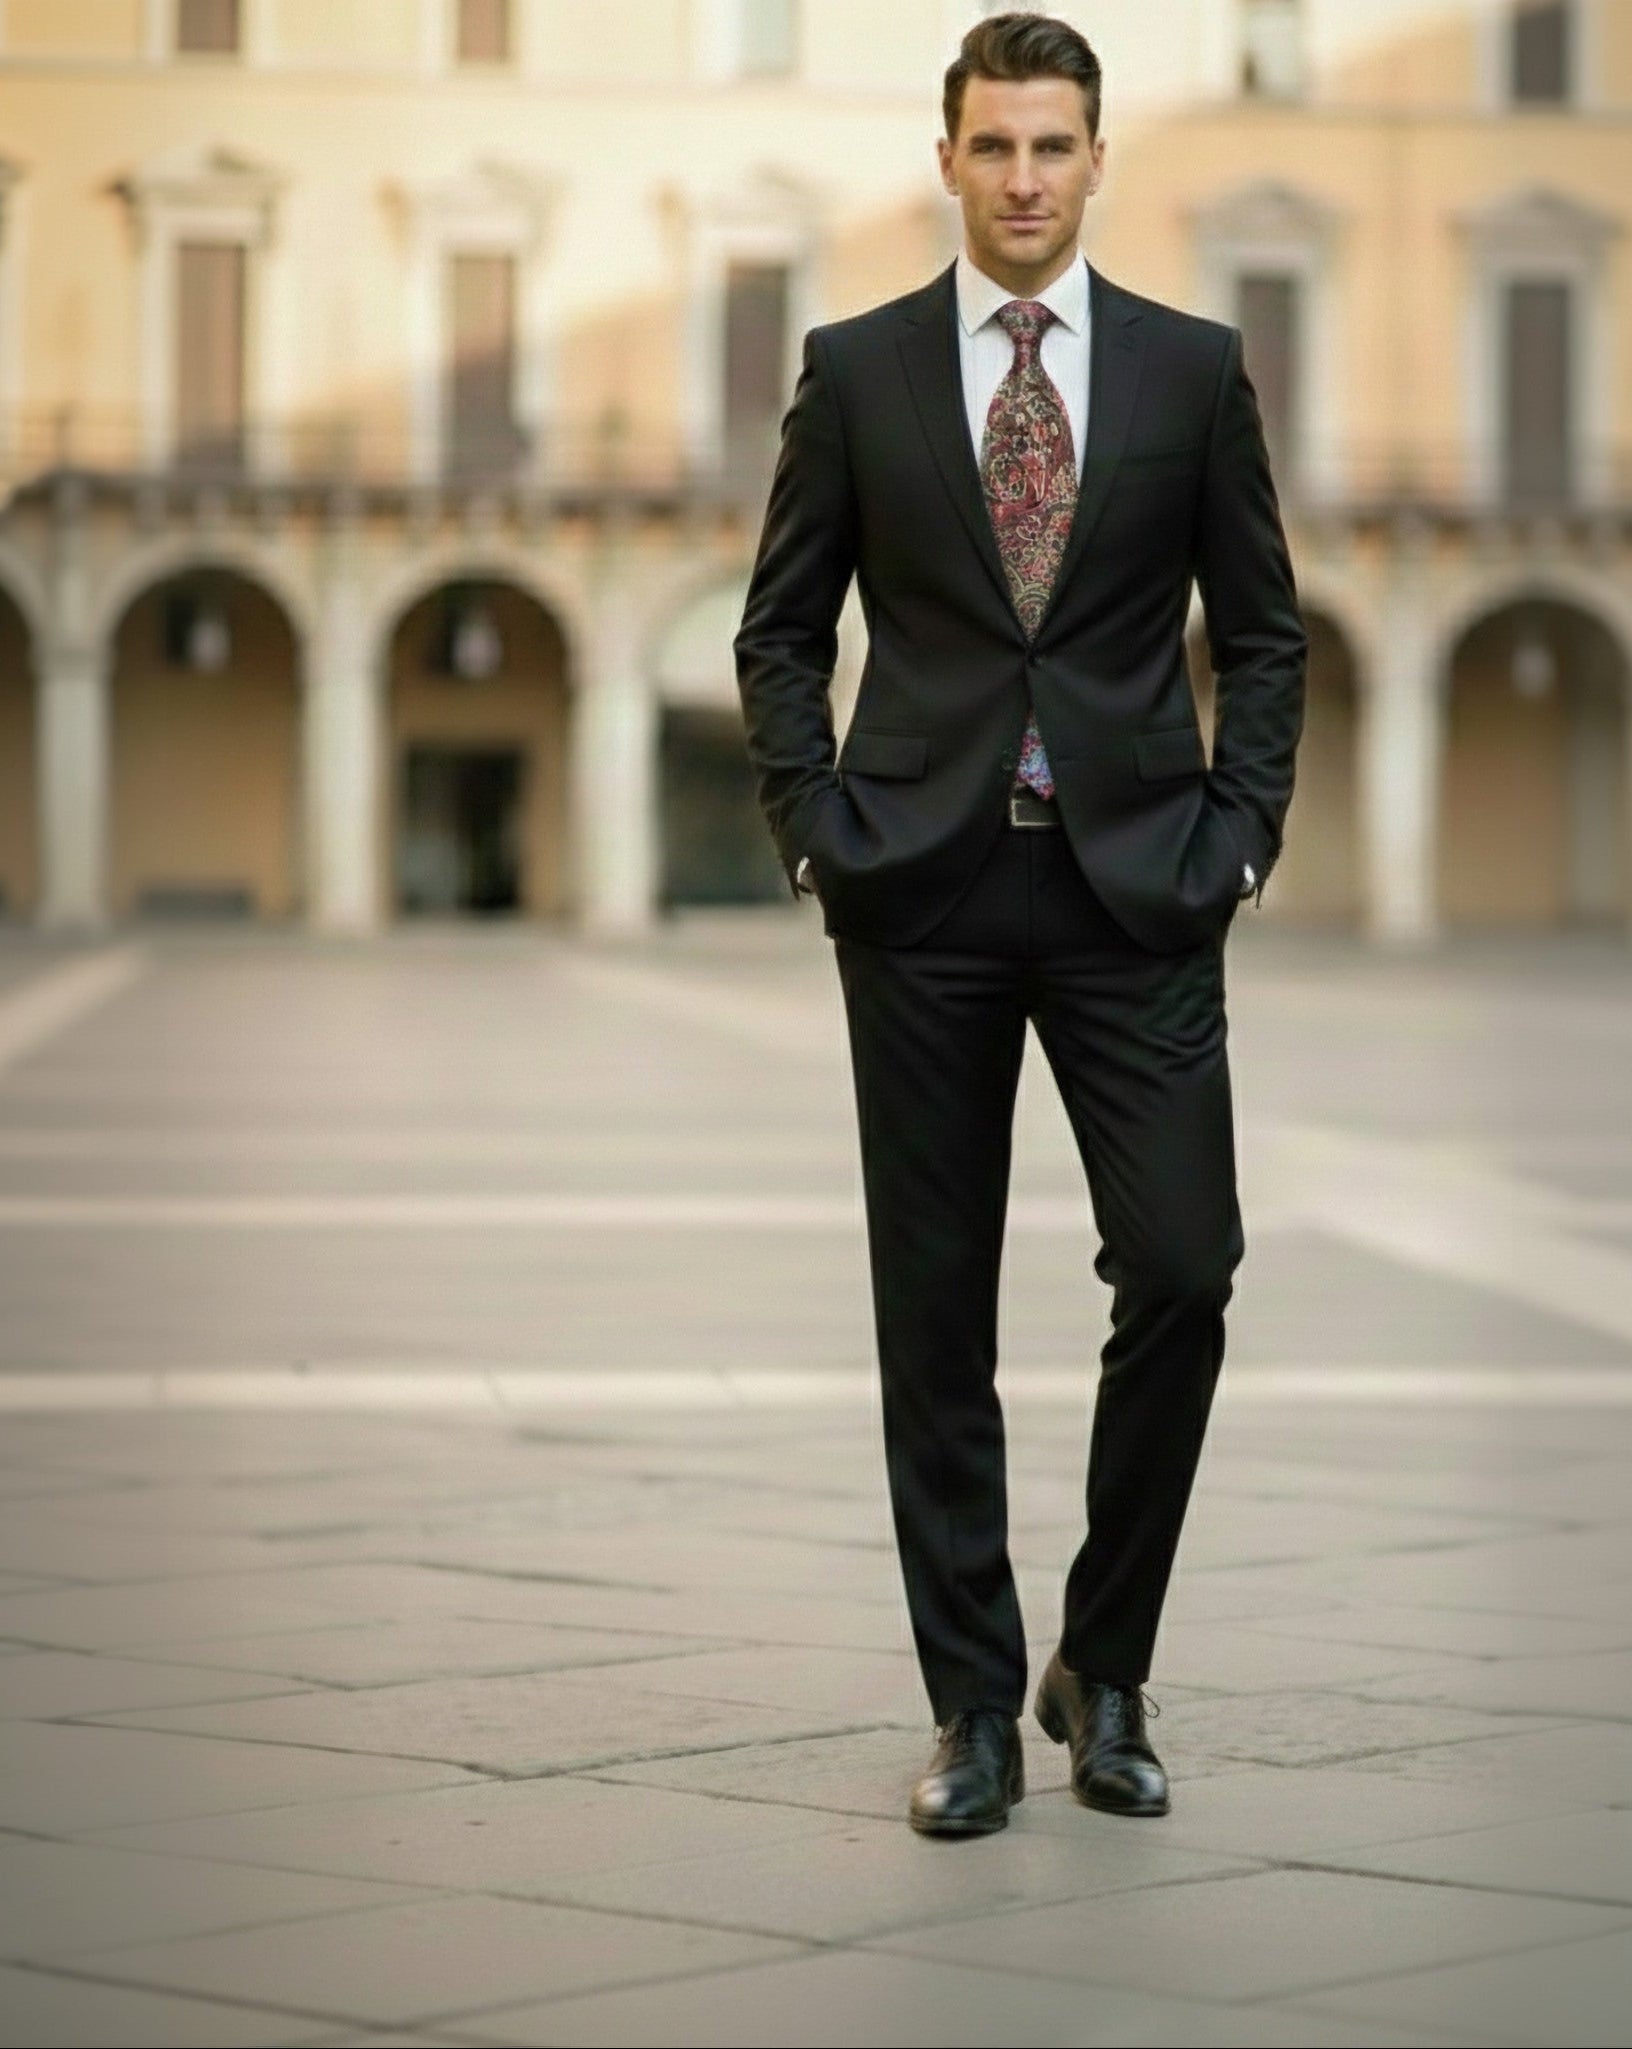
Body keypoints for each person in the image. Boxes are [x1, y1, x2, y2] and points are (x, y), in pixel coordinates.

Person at [735, 10, 1305, 1836]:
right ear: (949, 162)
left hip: (1141, 887)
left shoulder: (1194, 372)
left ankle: (1104, 1662)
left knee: (1188, 1266)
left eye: (1054, 144)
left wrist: (1239, 841)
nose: (1026, 177)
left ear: (1097, 159)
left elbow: (1265, 635)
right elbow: (778, 628)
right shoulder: (859, 370)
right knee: (934, 1310)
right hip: (924, 887)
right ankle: (974, 1706)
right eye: (994, 145)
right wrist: (818, 835)